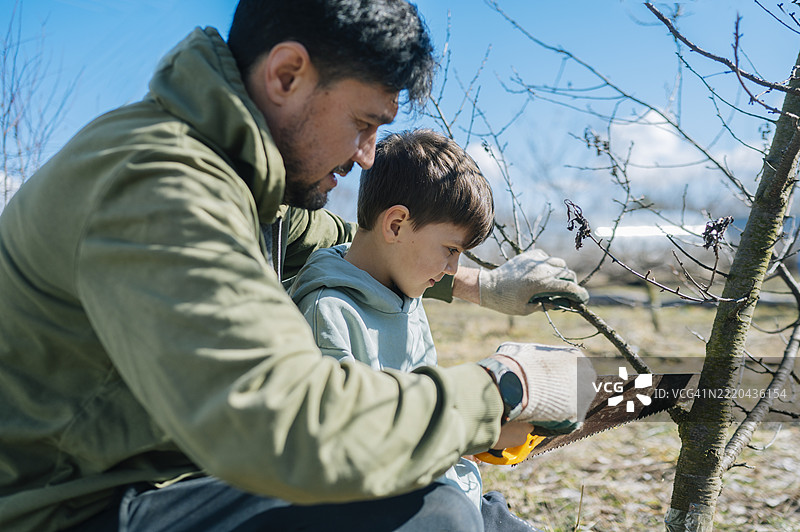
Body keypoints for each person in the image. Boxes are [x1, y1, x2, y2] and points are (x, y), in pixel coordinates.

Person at [0, 1, 591, 531]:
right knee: (431, 517)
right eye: (363, 125)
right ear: (287, 76)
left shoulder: (253, 192)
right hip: (79, 508)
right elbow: (291, 427)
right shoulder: (160, 188)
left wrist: (483, 285)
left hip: (172, 479)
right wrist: (503, 388)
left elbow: (356, 244)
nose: (365, 158)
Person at [290, 128, 562, 531]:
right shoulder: (329, 313)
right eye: (450, 250)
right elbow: (346, 455)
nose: (453, 269)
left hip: (453, 489)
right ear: (396, 225)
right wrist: (477, 431)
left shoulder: (404, 289)